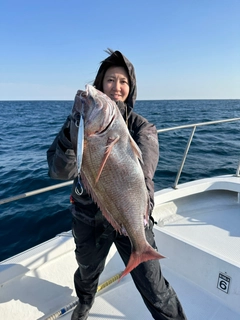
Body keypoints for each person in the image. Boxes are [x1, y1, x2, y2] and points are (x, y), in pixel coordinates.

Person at [47, 49, 187, 320]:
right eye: (110, 80)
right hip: (89, 219)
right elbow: (58, 171)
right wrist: (70, 135)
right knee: (87, 274)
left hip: (132, 218)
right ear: (101, 84)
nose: (116, 87)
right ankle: (84, 304)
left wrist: (140, 219)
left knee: (155, 288)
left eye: (123, 81)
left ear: (130, 88)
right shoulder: (77, 124)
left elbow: (144, 175)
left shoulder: (142, 127)